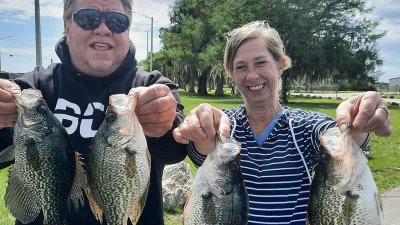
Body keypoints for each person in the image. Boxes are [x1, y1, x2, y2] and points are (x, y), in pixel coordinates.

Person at [173, 21, 393, 225]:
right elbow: (203, 148)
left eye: (261, 63)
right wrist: (200, 122)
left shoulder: (306, 127)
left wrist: (359, 118)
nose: (252, 75)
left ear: (281, 64)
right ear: (231, 74)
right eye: (240, 67)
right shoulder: (223, 126)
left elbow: (342, 143)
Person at [0, 0, 187, 224]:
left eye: (117, 21)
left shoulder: (152, 86)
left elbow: (176, 151)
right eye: (89, 18)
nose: (103, 28)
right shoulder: (33, 87)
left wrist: (165, 127)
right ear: (67, 25)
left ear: (127, 30)